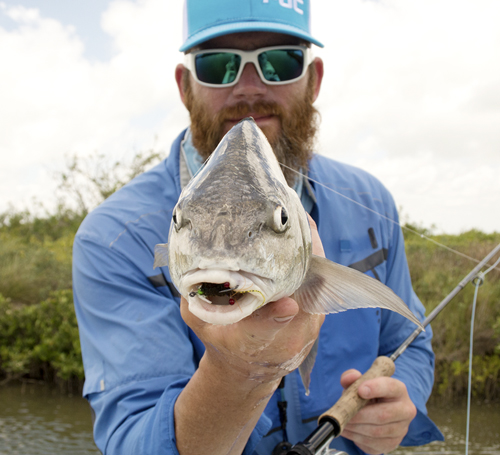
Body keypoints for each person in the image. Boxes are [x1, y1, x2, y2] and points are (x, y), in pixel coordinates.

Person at [72, 1, 444, 454]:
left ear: (314, 80)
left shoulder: (371, 200)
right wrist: (240, 371)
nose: (249, 88)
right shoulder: (111, 238)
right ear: (185, 87)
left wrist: (398, 404)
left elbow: (411, 339)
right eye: (217, 64)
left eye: (280, 61)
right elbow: (132, 440)